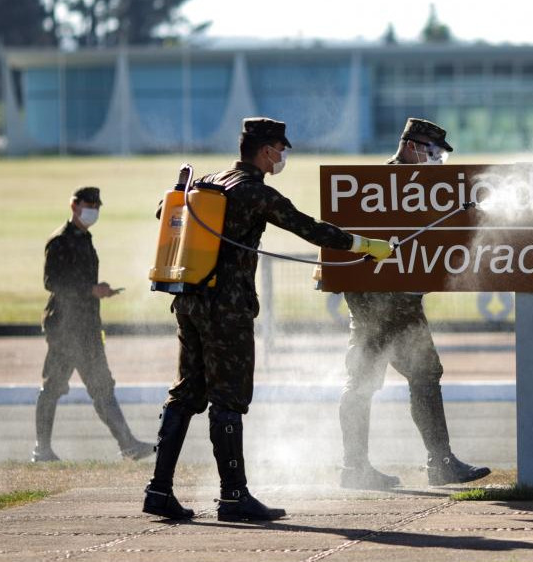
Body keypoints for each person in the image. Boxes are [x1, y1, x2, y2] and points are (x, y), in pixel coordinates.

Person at [142, 117, 393, 521]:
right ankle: (233, 497)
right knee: (228, 400)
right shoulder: (255, 192)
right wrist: (365, 246)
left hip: (188, 300)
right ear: (265, 151)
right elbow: (310, 229)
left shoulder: (209, 181)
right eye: (280, 149)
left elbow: (164, 211)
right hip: (227, 310)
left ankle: (158, 490)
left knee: (187, 393)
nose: (282, 157)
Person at [338, 118, 490, 490]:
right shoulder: (378, 188)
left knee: (405, 378)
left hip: (401, 304)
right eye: (432, 151)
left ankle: (374, 467)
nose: (437, 159)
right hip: (378, 306)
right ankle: (425, 464)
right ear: (410, 146)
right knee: (374, 382)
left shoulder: (423, 189)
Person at [34, 187, 155, 463]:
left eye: (97, 205)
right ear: (74, 205)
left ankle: (128, 444)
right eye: (89, 204)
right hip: (65, 326)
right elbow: (51, 282)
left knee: (102, 385)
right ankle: (42, 449)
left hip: (87, 326)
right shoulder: (60, 241)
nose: (94, 210)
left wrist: (100, 291)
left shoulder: (84, 238)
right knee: (54, 386)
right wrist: (90, 290)